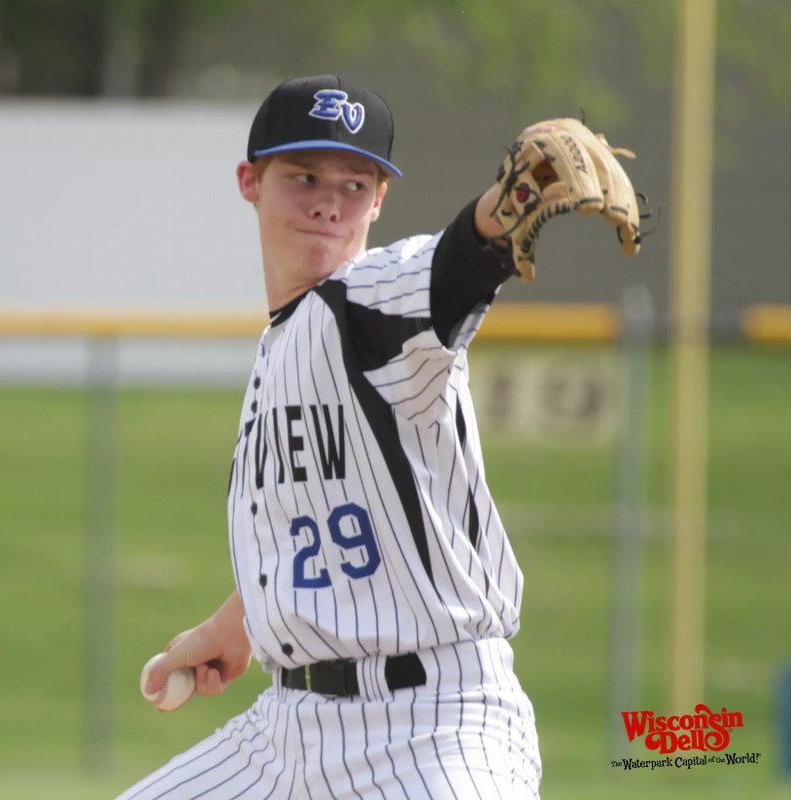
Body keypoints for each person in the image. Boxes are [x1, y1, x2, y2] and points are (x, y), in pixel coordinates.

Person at [118, 74, 638, 800]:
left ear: (380, 200)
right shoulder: (285, 343)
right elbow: (329, 530)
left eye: (356, 183)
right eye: (304, 177)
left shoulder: (365, 299)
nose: (330, 201)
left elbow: (453, 266)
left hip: (431, 730)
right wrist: (236, 625)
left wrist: (505, 208)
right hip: (286, 732)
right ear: (250, 181)